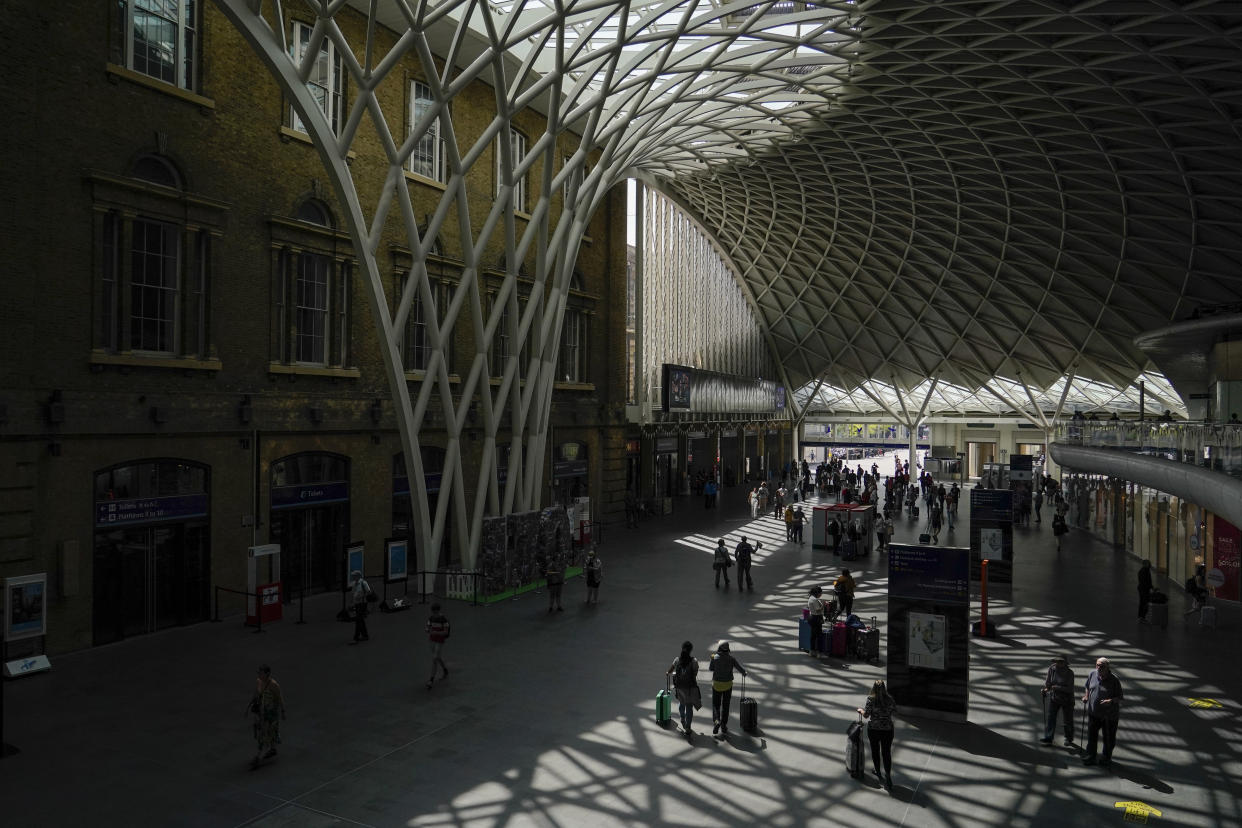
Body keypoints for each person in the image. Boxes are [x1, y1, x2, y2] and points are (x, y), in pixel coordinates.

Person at [1082, 657, 1123, 767]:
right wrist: (1086, 696)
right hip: (1094, 713)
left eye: (1102, 666)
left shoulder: (1114, 680)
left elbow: (1120, 697)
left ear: (1107, 667)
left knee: (1108, 738)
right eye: (1097, 665)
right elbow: (1087, 686)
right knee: (1092, 736)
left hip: (1109, 716)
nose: (1099, 667)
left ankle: (1106, 758)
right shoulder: (1092, 674)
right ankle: (1091, 755)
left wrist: (1110, 701)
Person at [856, 679, 897, 788]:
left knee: (875, 750)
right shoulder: (890, 699)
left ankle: (878, 771)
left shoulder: (871, 699)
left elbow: (866, 715)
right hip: (887, 729)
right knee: (886, 752)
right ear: (884, 688)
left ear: (874, 688)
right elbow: (894, 711)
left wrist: (860, 710)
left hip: (874, 729)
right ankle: (888, 775)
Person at [246, 664, 286, 770]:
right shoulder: (259, 681)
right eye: (258, 672)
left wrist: (283, 711)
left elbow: (279, 697)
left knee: (265, 733)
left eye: (261, 672)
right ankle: (272, 748)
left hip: (270, 713)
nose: (259, 674)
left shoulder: (273, 685)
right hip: (262, 713)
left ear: (267, 674)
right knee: (266, 732)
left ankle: (258, 757)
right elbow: (256, 694)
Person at [709, 641, 748, 736]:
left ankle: (716, 721)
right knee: (726, 706)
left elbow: (711, 669)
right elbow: (740, 669)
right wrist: (744, 673)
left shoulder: (714, 657)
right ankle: (723, 726)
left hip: (717, 685)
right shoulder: (732, 659)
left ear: (719, 648)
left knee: (716, 704)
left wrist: (712, 659)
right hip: (728, 685)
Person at [666, 640, 701, 736]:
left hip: (679, 687)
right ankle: (688, 727)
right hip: (690, 688)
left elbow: (670, 671)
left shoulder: (677, 660)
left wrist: (668, 673)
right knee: (689, 707)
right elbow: (695, 673)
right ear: (691, 650)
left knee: (682, 704)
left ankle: (682, 718)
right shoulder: (694, 661)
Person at [1040, 655, 1075, 745]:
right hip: (1055, 697)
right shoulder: (1052, 669)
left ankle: (1069, 738)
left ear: (1065, 663)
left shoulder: (1069, 673)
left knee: (1067, 720)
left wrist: (1056, 687)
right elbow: (1048, 683)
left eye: (1061, 661)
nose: (1058, 663)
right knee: (1051, 718)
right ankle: (1048, 737)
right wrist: (1045, 690)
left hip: (1067, 699)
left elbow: (1069, 689)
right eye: (1057, 661)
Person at [425, 603, 451, 689]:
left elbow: (446, 632)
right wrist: (428, 629)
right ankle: (445, 670)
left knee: (434, 658)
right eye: (433, 612)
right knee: (437, 657)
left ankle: (431, 680)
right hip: (432, 640)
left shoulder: (443, 619)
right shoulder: (431, 618)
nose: (434, 614)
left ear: (438, 611)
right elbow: (428, 627)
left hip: (439, 641)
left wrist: (436, 632)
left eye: (435, 612)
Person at [349, 569, 373, 643]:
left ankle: (356, 637)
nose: (352, 577)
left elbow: (369, 592)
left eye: (354, 576)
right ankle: (365, 635)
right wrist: (352, 603)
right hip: (357, 603)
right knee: (360, 620)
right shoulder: (354, 584)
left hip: (362, 604)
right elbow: (353, 594)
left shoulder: (363, 583)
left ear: (358, 576)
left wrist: (362, 596)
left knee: (358, 620)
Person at [806, 586, 827, 656]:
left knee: (813, 635)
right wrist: (823, 605)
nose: (821, 594)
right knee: (819, 636)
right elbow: (818, 610)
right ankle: (820, 652)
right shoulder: (814, 600)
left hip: (812, 617)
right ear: (817, 593)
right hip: (816, 618)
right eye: (820, 593)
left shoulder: (811, 598)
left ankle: (812, 651)